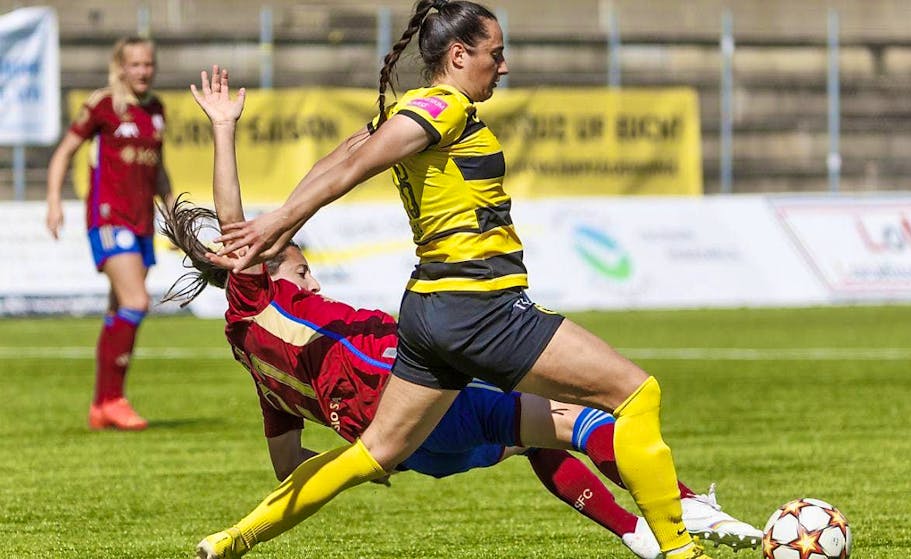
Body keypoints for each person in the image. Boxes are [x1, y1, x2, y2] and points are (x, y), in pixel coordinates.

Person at [171, 66, 761, 559]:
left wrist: (363, 452)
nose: (313, 278)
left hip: (419, 449)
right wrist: (224, 129)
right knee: (589, 415)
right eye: (301, 270)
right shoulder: (255, 302)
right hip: (416, 391)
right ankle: (684, 518)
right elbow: (235, 223)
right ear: (257, 270)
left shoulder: (259, 370)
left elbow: (286, 466)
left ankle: (638, 534)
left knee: (535, 433)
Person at [45, 36, 174, 431]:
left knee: (120, 311)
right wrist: (53, 200)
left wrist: (174, 214)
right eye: (135, 65)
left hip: (141, 222)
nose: (143, 71)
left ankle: (103, 405)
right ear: (120, 67)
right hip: (108, 218)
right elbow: (65, 150)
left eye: (148, 64)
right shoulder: (103, 105)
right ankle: (112, 399)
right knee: (137, 301)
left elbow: (159, 170)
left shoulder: (156, 110)